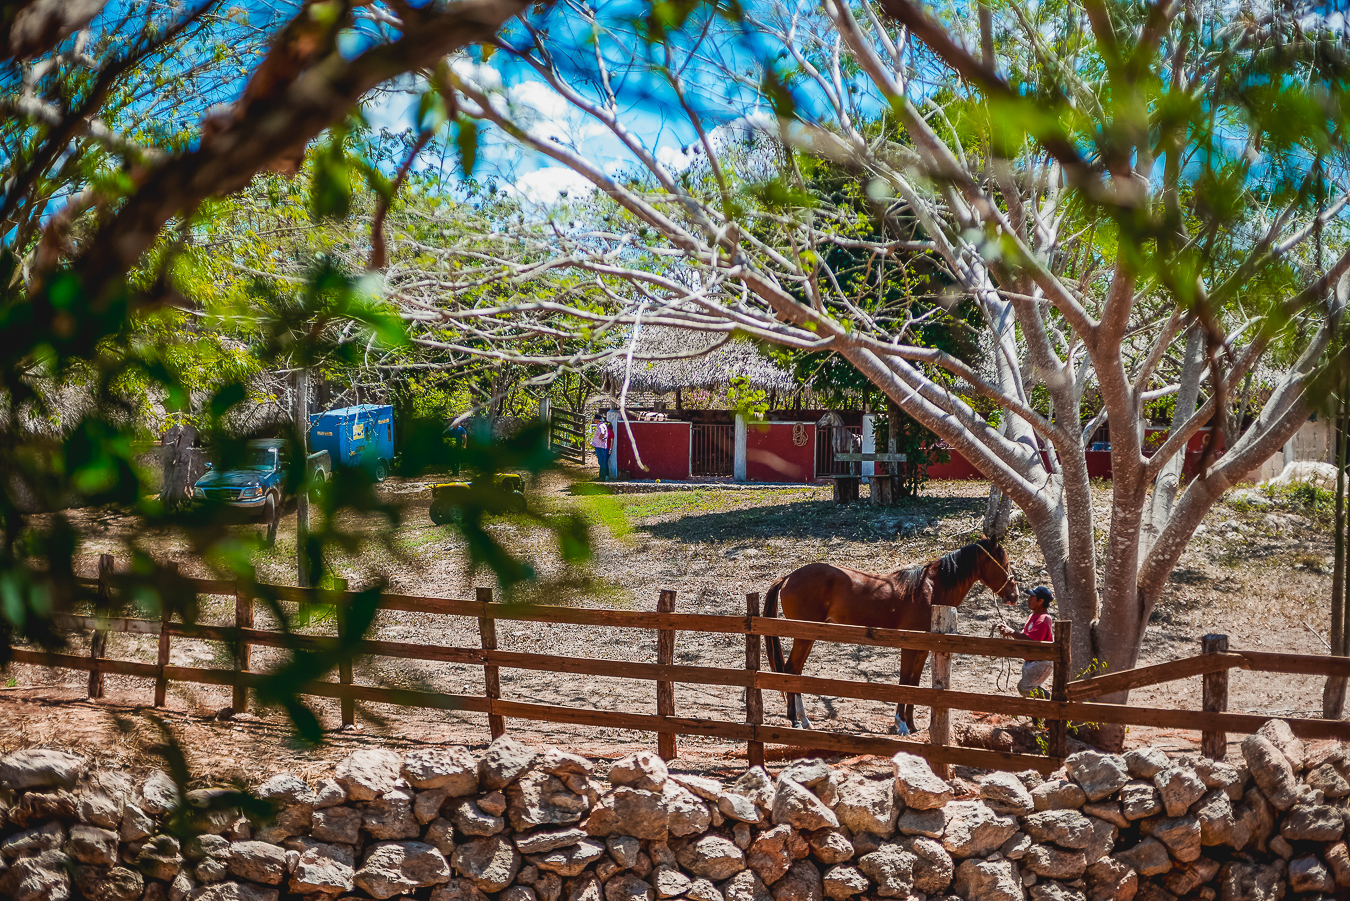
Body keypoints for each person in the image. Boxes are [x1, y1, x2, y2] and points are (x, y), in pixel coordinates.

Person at [1000, 585, 1055, 698]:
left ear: (1041, 601)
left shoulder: (1044, 619)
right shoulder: (1033, 616)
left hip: (1041, 662)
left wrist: (1011, 632)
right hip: (1032, 661)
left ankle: (1052, 702)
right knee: (1030, 689)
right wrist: (1009, 631)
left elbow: (1031, 640)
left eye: (1032, 597)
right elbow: (1025, 635)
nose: (1028, 599)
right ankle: (1040, 712)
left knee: (1025, 687)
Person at [589, 412, 611, 481]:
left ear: (597, 420)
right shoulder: (603, 425)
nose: (594, 420)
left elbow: (602, 432)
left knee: (601, 462)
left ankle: (602, 476)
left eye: (595, 419)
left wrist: (601, 437)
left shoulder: (599, 426)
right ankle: (605, 476)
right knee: (603, 462)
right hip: (603, 446)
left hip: (599, 446)